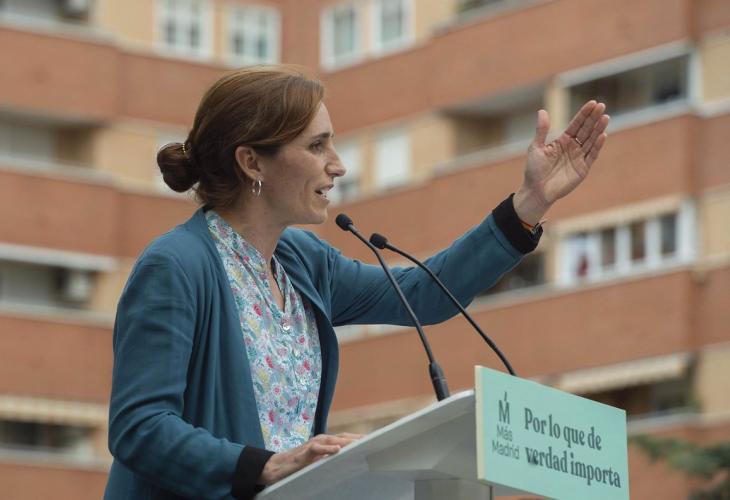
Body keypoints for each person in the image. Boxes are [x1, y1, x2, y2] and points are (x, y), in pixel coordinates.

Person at [104, 65, 609, 500]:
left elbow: (423, 296)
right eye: (317, 145)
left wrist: (528, 206)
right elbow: (140, 428)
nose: (339, 165)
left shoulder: (303, 262)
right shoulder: (175, 267)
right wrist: (266, 465)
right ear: (252, 161)